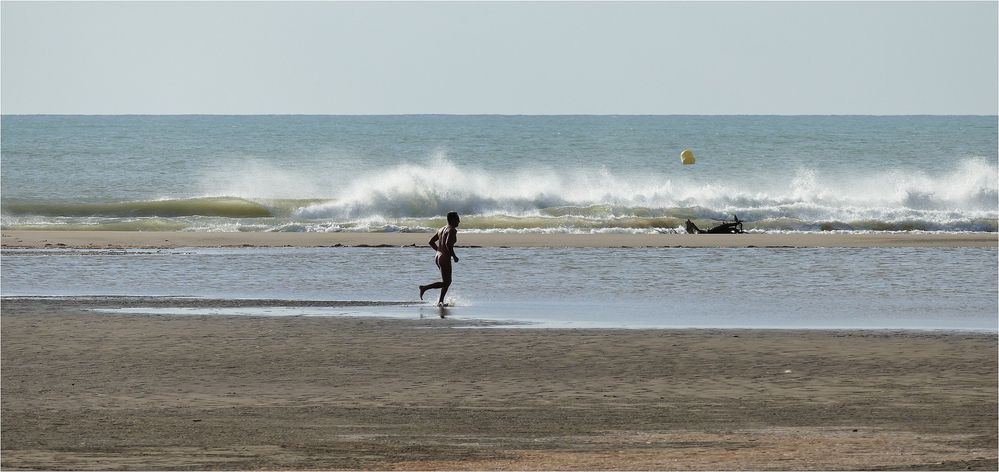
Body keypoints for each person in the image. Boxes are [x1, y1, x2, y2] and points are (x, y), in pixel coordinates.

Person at [419, 211, 460, 306]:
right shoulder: (452, 230)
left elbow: (430, 242)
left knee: (446, 281)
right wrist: (454, 256)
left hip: (438, 257)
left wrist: (439, 251)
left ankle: (440, 301)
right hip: (444, 258)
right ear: (452, 219)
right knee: (447, 282)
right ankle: (424, 288)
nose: (459, 221)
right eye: (457, 219)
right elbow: (447, 244)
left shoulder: (441, 229)